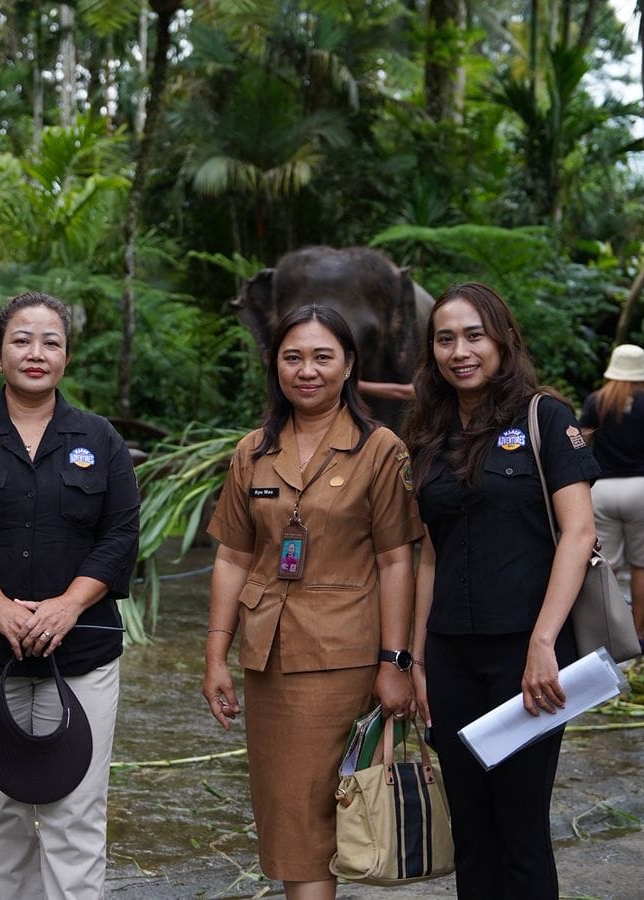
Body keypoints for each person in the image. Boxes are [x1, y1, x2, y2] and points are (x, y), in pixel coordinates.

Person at [0, 291, 139, 899]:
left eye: (50, 342)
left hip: (83, 652)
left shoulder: (101, 439)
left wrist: (68, 604)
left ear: (66, 358)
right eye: (21, 340)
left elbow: (120, 535)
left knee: (76, 814)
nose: (35, 353)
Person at [203, 304, 419, 900]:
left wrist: (396, 663)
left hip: (344, 655)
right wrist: (215, 655)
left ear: (349, 366)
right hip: (268, 656)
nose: (307, 370)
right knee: (287, 810)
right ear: (274, 366)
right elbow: (233, 557)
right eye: (292, 357)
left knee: (316, 814)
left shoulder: (381, 450)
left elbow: (397, 559)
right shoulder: (252, 451)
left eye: (322, 357)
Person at [401, 282, 601, 897]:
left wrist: (544, 644)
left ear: (503, 340)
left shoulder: (545, 416)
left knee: (520, 826)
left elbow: (578, 531)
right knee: (471, 827)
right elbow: (428, 555)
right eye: (445, 339)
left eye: (473, 335)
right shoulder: (429, 432)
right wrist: (416, 658)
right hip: (452, 655)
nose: (460, 351)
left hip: (528, 656)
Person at [579, 344, 644, 655]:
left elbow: (579, 442)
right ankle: (637, 635)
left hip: (602, 489)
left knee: (603, 566)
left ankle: (602, 638)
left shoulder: (596, 401)